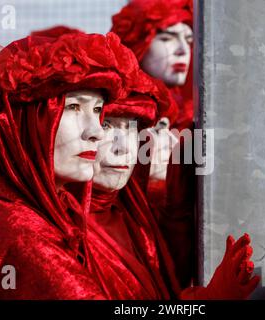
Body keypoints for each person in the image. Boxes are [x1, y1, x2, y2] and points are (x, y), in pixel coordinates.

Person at [0, 29, 164, 299]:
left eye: (98, 111)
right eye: (74, 108)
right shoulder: (22, 235)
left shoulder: (25, 215)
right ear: (23, 122)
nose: (97, 132)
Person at [90, 93, 260, 299]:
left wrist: (177, 218)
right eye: (106, 124)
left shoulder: (129, 211)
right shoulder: (58, 229)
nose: (124, 147)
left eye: (132, 126)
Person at [111, 0, 195, 288]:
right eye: (167, 38)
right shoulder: (105, 109)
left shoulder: (197, 113)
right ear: (139, 43)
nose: (183, 49)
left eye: (189, 39)